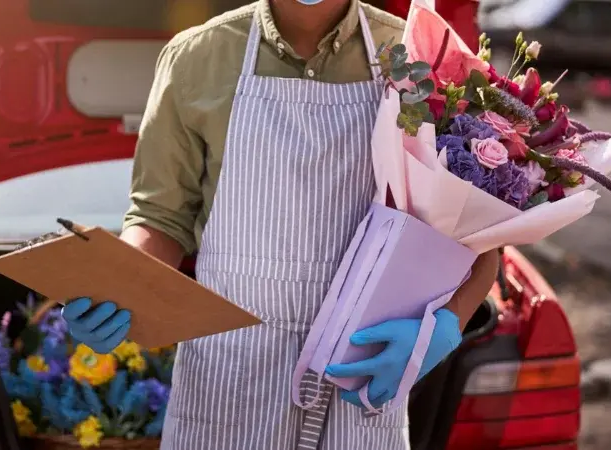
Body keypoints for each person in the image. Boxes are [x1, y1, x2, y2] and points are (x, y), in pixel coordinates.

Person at [62, 0, 499, 449]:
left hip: (358, 374)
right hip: (226, 384)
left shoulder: (417, 54)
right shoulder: (198, 57)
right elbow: (160, 216)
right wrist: (117, 286)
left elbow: (482, 230)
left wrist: (447, 323)